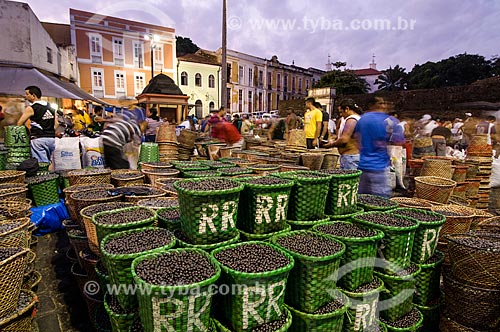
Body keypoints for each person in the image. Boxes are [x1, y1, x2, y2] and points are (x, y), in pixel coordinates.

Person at [355, 96, 392, 198]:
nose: (383, 106)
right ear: (372, 105)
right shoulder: (387, 120)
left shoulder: (362, 119)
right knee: (381, 201)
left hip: (363, 165)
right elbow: (397, 140)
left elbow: (357, 139)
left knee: (362, 199)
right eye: (381, 103)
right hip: (379, 167)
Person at [17, 86, 56, 163]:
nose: (26, 96)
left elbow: (19, 123)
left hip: (38, 140)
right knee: (49, 163)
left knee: (41, 165)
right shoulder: (50, 107)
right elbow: (56, 124)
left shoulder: (32, 108)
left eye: (27, 94)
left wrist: (27, 133)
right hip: (51, 139)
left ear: (33, 95)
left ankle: (45, 175)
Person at [321, 99, 360, 169]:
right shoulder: (356, 118)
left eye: (341, 112)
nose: (341, 115)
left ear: (347, 109)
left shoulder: (351, 120)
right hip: (352, 157)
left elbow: (344, 139)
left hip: (350, 157)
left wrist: (331, 144)